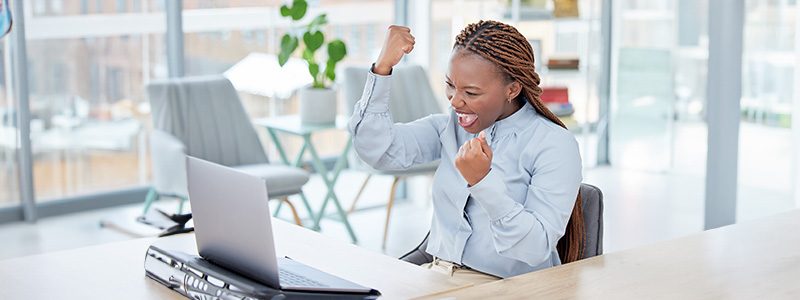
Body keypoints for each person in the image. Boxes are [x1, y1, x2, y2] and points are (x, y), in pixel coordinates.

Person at [348, 20, 584, 284]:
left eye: (471, 92)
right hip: (437, 276)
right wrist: (382, 68)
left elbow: (535, 247)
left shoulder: (553, 144)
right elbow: (377, 150)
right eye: (450, 85)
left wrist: (483, 183)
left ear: (513, 89)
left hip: (505, 288)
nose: (455, 101)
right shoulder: (452, 126)